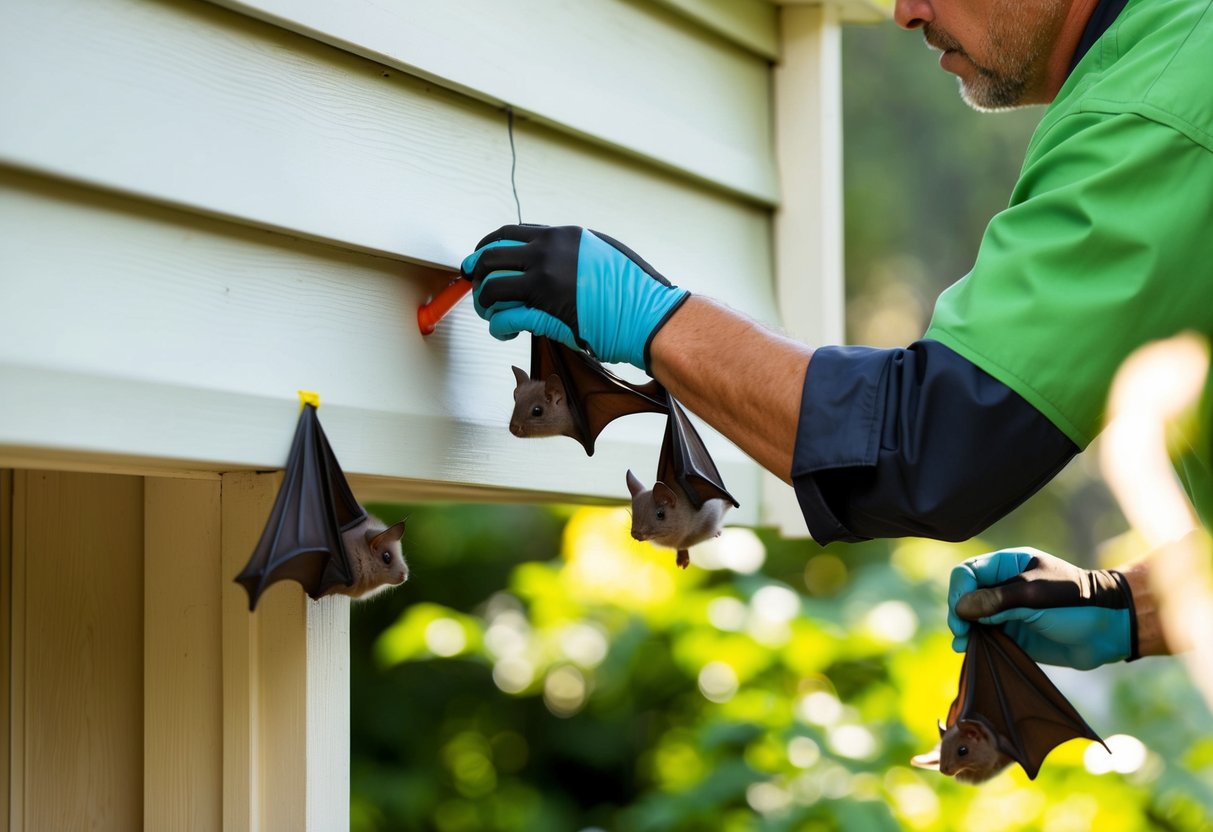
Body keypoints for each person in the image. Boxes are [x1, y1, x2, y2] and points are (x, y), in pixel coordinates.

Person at [460, 0, 1213, 552]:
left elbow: (937, 447)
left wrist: (651, 319)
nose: (904, 11)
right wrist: (1126, 611)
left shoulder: (1161, 110)